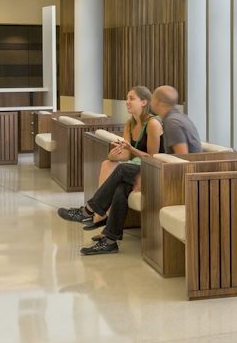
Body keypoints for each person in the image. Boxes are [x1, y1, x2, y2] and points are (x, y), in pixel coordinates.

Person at [59, 86, 161, 255]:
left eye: (131, 98)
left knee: (122, 169)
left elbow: (153, 158)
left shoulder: (153, 124)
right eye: (127, 98)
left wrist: (130, 149)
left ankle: (88, 210)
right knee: (120, 189)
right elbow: (127, 155)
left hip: (154, 171)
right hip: (136, 169)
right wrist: (113, 156)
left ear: (144, 102)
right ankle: (110, 241)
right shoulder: (130, 124)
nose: (127, 102)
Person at [151, 86, 202, 154]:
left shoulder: (172, 123)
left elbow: (182, 157)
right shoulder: (180, 117)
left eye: (152, 98)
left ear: (157, 101)